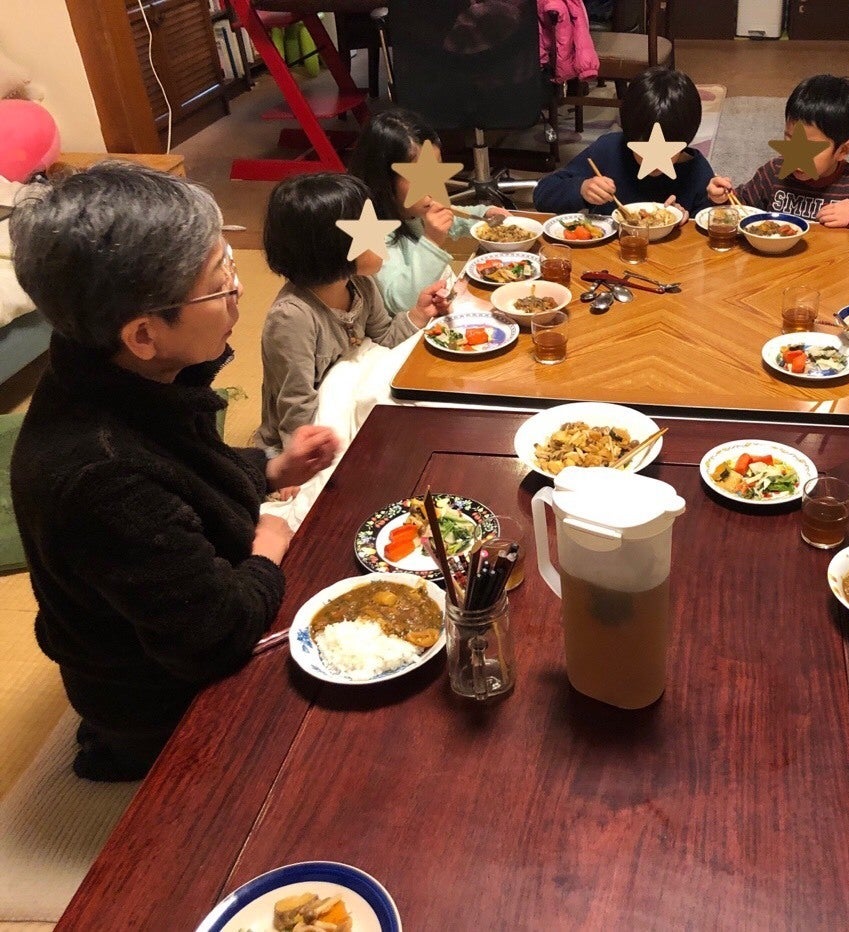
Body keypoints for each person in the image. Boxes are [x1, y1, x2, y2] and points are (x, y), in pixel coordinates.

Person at [8, 163, 340, 781]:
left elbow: (188, 475)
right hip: (158, 698)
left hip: (166, 610)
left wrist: (271, 469)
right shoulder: (101, 476)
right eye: (219, 284)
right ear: (143, 333)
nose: (239, 292)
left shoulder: (117, 368)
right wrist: (267, 547)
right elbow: (213, 639)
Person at [257, 172, 450, 452]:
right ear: (333, 246)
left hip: (356, 399)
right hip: (313, 432)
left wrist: (419, 313)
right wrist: (303, 460)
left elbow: (384, 338)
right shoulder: (292, 318)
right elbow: (296, 405)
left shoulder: (362, 284)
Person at [707, 74, 849, 244]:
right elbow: (742, 207)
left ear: (843, 149)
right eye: (790, 139)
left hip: (831, 268)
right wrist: (722, 198)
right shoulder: (773, 172)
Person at [349, 108, 508, 318]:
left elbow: (450, 217)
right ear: (383, 180)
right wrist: (432, 241)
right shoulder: (371, 232)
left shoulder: (412, 208)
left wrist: (484, 214)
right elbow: (399, 302)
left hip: (439, 309)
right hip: (401, 328)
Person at [533, 66, 716, 218]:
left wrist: (688, 217)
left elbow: (709, 223)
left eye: (668, 152)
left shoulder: (696, 170)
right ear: (629, 133)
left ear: (686, 140)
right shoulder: (608, 150)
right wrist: (581, 188)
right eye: (644, 150)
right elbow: (543, 194)